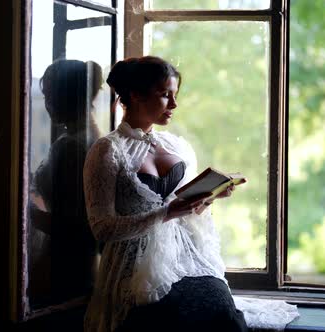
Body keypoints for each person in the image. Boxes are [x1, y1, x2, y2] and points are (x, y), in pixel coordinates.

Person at [82, 56, 247, 332]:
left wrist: (208, 197)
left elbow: (187, 212)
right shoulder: (107, 151)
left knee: (223, 314)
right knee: (172, 319)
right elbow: (102, 228)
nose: (174, 104)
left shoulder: (177, 146)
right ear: (135, 95)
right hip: (133, 268)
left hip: (187, 259)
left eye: (175, 95)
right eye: (164, 95)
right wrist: (166, 213)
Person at [29, 59, 103, 306]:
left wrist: (26, 213)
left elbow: (72, 227)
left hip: (65, 263)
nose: (47, 104)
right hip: (84, 260)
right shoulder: (92, 136)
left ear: (65, 97)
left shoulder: (71, 146)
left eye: (50, 95)